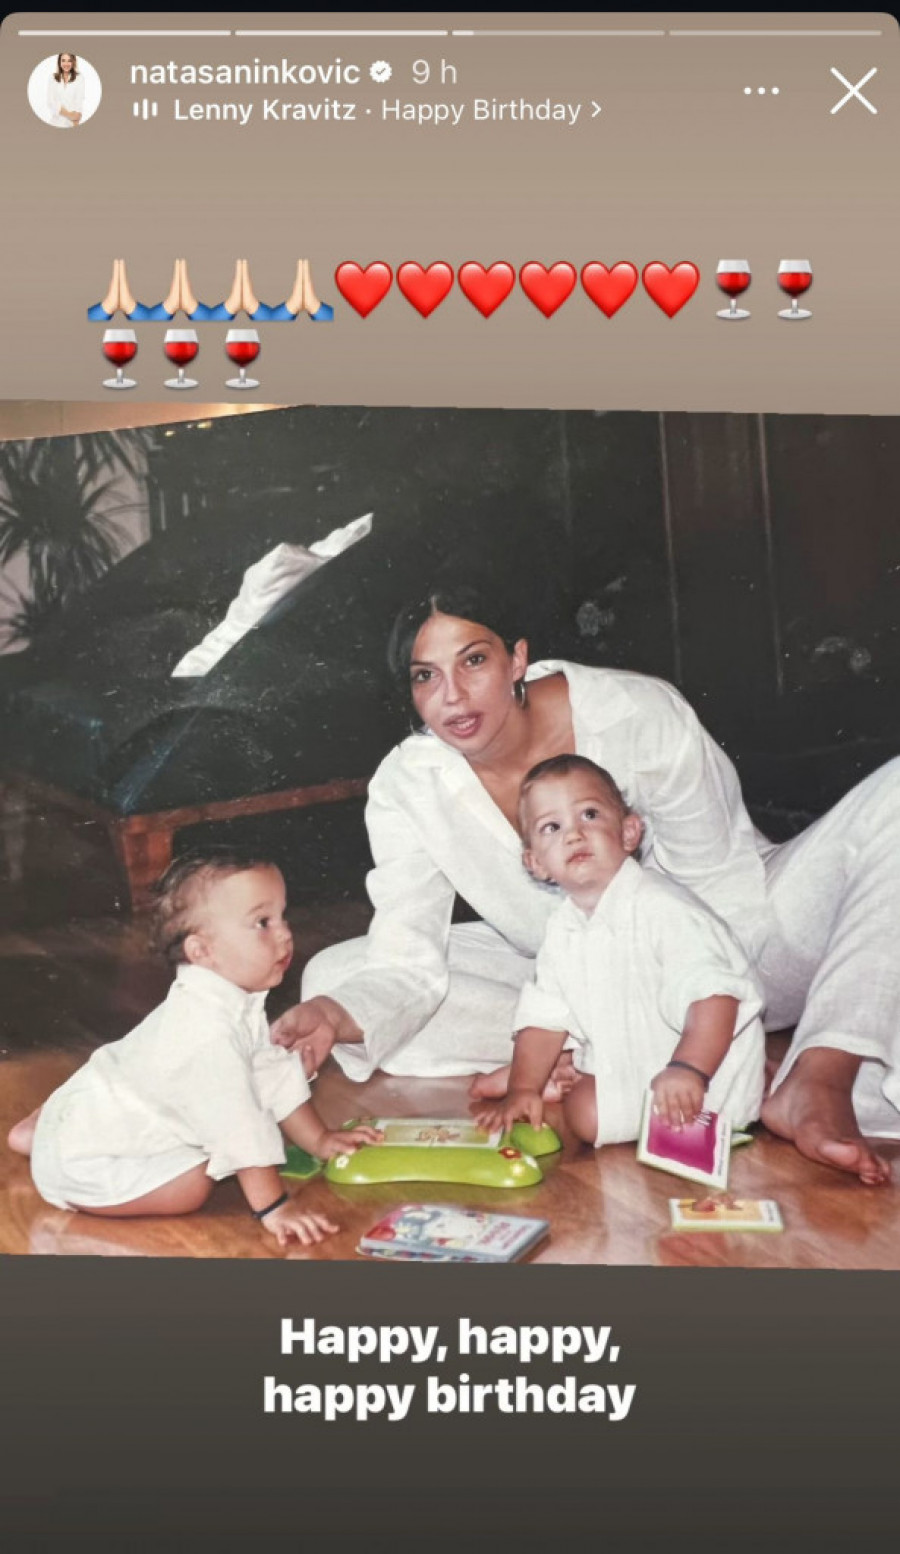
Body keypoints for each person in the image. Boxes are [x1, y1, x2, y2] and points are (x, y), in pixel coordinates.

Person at [273, 583, 899, 1185]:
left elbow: (722, 893)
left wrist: (712, 1037)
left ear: (518, 657)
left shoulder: (635, 712)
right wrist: (333, 1015)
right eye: (425, 676)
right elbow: (405, 961)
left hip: (745, 951)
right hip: (581, 979)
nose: (453, 697)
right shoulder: (406, 786)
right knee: (334, 978)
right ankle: (581, 1057)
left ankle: (821, 1071)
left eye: (474, 661)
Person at [7, 850, 379, 1246]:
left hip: (94, 1113)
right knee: (195, 1182)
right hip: (92, 1166)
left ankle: (46, 1134)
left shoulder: (226, 1000)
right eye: (262, 923)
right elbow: (240, 1126)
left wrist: (320, 1141)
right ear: (202, 951)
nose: (285, 933)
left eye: (282, 916)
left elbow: (270, 1073)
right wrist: (274, 1207)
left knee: (128, 1104)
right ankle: (59, 1162)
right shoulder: (207, 1033)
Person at [471, 754, 765, 1146]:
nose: (574, 835)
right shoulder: (564, 928)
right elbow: (545, 1016)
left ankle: (562, 1074)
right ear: (536, 862)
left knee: (586, 1115)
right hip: (635, 1055)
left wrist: (688, 1069)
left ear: (628, 833)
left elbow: (715, 998)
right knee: (582, 1106)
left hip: (702, 1076)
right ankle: (543, 1075)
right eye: (552, 827)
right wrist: (522, 1090)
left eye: (589, 815)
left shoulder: (664, 909)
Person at [47, 52, 83, 129]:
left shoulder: (79, 78)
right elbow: (50, 102)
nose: (66, 64)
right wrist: (69, 115)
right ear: (59, 62)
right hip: (56, 121)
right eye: (63, 60)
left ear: (73, 62)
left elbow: (79, 100)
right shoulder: (53, 77)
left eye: (69, 61)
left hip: (72, 123)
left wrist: (75, 120)